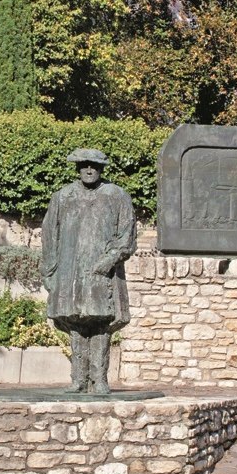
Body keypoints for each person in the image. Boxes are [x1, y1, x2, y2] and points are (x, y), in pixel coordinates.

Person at [41, 149, 136, 394]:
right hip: (70, 272)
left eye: (94, 165)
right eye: (84, 165)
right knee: (75, 322)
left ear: (101, 168)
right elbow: (50, 236)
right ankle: (78, 379)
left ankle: (100, 378)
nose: (89, 170)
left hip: (102, 272)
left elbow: (127, 235)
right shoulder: (63, 197)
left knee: (101, 322)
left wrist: (109, 261)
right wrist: (49, 272)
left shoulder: (116, 196)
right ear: (78, 168)